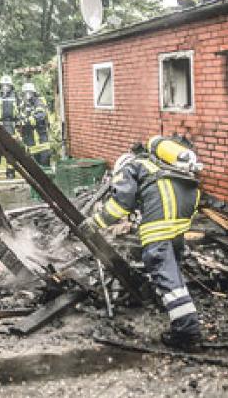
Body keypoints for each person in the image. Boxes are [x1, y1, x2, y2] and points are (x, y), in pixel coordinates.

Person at [81, 137, 203, 349]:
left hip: (163, 222)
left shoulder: (130, 167)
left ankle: (186, 331)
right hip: (182, 217)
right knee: (172, 269)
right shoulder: (158, 166)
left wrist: (96, 222)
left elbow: (121, 204)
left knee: (163, 270)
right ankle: (171, 305)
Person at [0, 75, 21, 179]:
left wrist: (20, 125)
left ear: (11, 86)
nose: (5, 87)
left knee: (11, 150)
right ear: (0, 86)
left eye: (7, 85)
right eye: (3, 85)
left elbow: (21, 111)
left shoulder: (16, 96)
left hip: (12, 126)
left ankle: (10, 172)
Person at [18, 82, 51, 168]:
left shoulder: (38, 102)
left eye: (29, 92)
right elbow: (20, 117)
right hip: (29, 138)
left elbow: (40, 116)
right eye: (25, 93)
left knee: (44, 162)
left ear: (33, 93)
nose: (27, 95)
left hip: (40, 137)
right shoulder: (23, 105)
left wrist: (27, 121)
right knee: (33, 165)